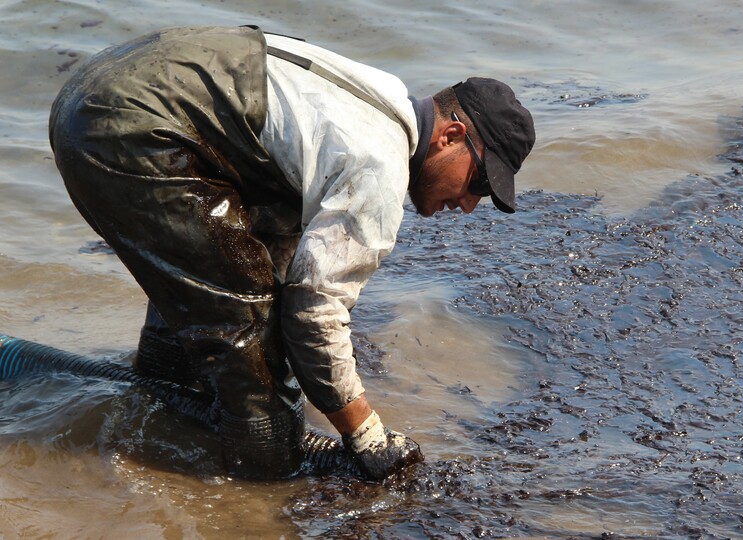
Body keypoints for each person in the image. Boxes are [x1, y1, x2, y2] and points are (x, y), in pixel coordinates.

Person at [47, 25, 535, 480]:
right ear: (450, 135)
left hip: (97, 94)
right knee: (256, 365)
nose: (470, 205)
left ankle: (153, 412)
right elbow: (311, 313)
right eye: (478, 182)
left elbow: (269, 233)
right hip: (136, 128)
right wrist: (364, 434)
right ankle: (256, 494)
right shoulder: (379, 165)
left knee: (209, 305)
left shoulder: (380, 95)